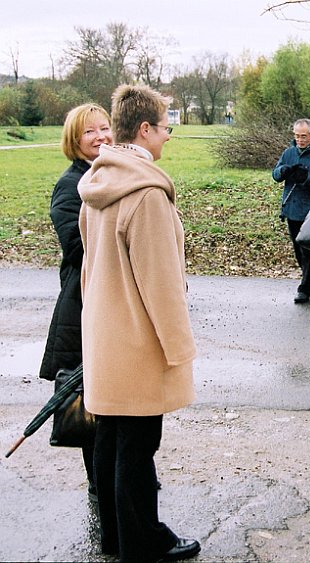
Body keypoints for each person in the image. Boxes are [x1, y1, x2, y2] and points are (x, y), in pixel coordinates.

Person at [78, 84, 200, 562]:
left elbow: (90, 268)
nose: (168, 136)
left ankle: (117, 536)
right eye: (166, 126)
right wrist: (180, 349)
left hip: (106, 337)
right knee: (138, 447)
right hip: (139, 342)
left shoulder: (98, 182)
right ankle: (141, 545)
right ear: (145, 129)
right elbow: (162, 284)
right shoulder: (146, 192)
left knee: (111, 439)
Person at [39, 103, 112, 501]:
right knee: (89, 400)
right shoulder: (71, 185)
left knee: (114, 394)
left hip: (107, 301)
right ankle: (101, 482)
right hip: (82, 305)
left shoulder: (108, 175)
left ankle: (121, 473)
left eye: (105, 128)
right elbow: (75, 246)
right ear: (74, 140)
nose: (101, 137)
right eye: (90, 132)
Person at [272, 119, 310, 304]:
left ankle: (304, 288)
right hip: (291, 209)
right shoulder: (288, 153)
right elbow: (275, 175)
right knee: (298, 251)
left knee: (309, 251)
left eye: (303, 136)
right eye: (297, 136)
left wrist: (307, 179)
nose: (300, 139)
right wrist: (284, 171)